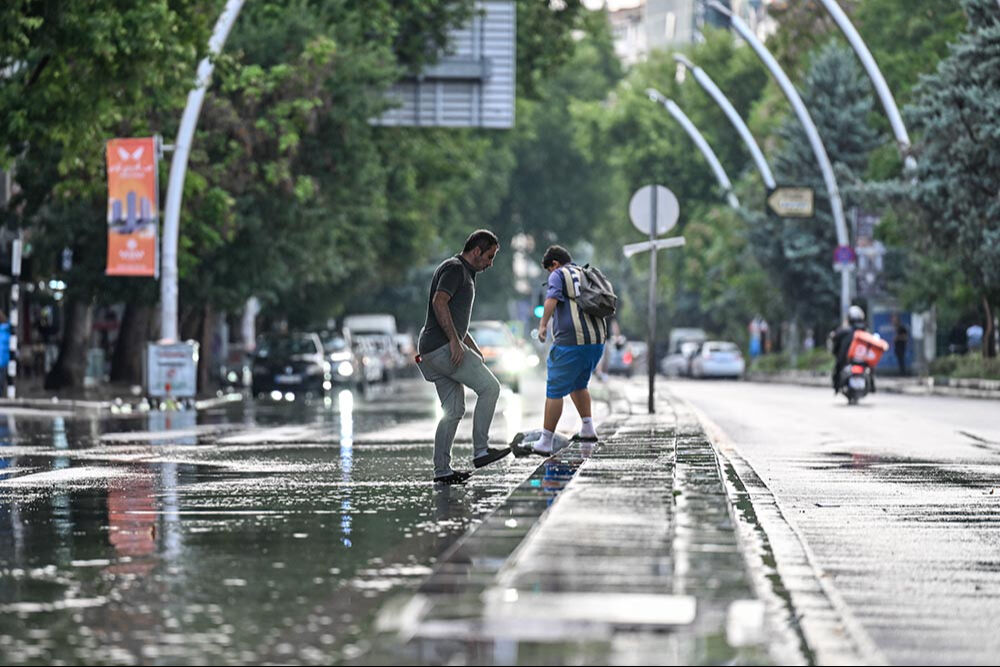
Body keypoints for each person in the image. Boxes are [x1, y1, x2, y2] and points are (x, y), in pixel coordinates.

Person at [416, 230, 509, 485]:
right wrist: (454, 342)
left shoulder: (465, 273)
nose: (490, 263)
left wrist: (471, 346)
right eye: (489, 256)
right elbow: (439, 302)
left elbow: (455, 320)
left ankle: (442, 470)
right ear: (476, 251)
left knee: (453, 410)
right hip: (441, 348)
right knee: (490, 388)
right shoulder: (455, 269)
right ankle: (481, 450)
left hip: (431, 350)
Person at [526, 245, 607, 456]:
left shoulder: (559, 274)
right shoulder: (585, 272)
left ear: (554, 264)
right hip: (597, 341)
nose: (549, 275)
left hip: (571, 343)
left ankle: (545, 441)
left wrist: (543, 325)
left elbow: (551, 299)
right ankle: (588, 428)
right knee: (579, 384)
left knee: (554, 389)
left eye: (549, 270)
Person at [829, 305, 868, 393]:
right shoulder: (865, 330)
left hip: (846, 359)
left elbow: (835, 336)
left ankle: (836, 387)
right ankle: (872, 386)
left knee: (837, 368)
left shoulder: (846, 330)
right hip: (861, 359)